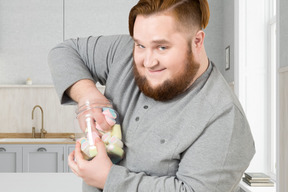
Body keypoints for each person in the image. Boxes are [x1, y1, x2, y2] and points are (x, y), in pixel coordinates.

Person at [48, 0, 255, 191]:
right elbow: (65, 51)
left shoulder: (224, 118)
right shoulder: (122, 53)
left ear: (197, 41)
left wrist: (108, 178)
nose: (148, 62)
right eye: (140, 45)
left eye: (162, 47)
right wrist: (88, 97)